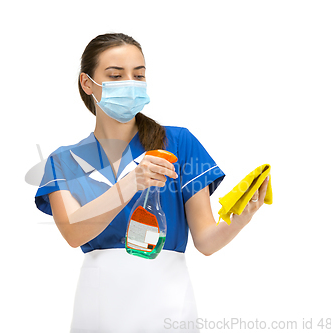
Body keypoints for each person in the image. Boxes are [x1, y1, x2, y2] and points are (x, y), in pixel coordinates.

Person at [35, 32, 270, 333]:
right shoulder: (64, 161)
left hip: (167, 303)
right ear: (87, 83)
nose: (130, 84)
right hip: (100, 307)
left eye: (139, 75)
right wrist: (131, 182)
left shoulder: (179, 143)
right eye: (116, 75)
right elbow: (73, 232)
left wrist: (241, 218)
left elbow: (206, 241)